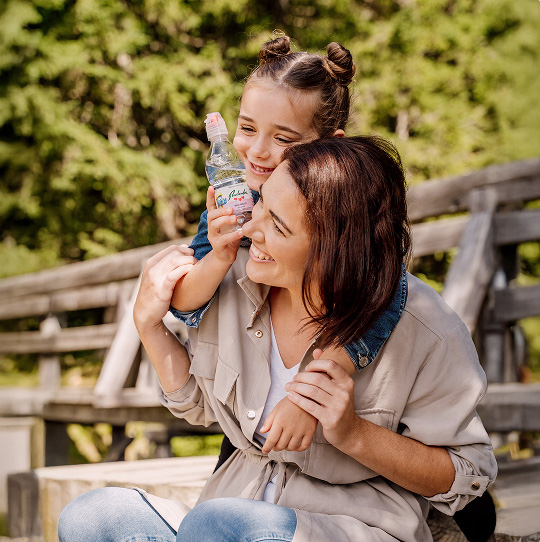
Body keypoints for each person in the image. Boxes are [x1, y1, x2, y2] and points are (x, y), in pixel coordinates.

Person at [59, 136, 497, 542]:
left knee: (220, 524)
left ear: (335, 251)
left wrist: (353, 433)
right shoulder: (233, 279)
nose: (252, 229)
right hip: (221, 518)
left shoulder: (426, 327)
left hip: (348, 526)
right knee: (93, 516)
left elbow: (466, 476)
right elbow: (198, 404)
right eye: (262, 204)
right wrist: (149, 326)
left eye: (279, 227)